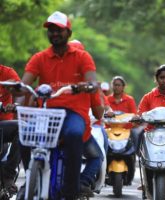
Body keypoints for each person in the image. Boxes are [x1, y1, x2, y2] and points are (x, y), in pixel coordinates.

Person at [16, 11, 100, 200]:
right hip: (47, 113)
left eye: (59, 30)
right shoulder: (40, 57)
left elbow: (93, 82)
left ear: (68, 33)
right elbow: (24, 86)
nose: (54, 33)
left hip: (73, 113)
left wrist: (85, 87)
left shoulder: (82, 57)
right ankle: (32, 178)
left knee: (74, 134)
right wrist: (18, 101)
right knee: (24, 134)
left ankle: (71, 191)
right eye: (51, 30)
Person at [69, 40, 104, 197]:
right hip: (80, 129)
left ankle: (30, 181)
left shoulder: (54, 74)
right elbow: (98, 113)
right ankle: (83, 183)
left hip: (51, 128)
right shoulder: (90, 82)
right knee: (97, 157)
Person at [0, 64, 21, 195]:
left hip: (2, 124)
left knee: (23, 127)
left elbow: (21, 91)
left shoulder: (7, 73)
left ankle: (8, 174)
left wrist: (15, 89)